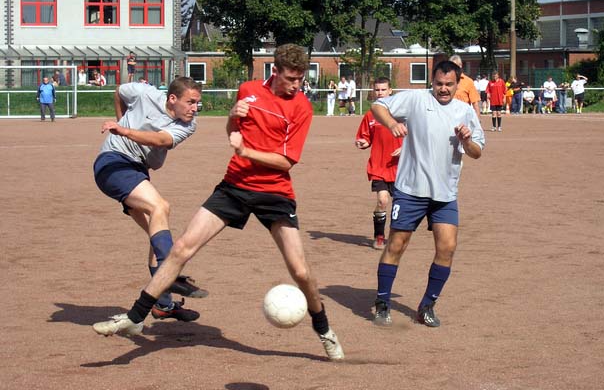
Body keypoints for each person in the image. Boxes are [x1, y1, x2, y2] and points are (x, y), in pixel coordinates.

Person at [92, 44, 345, 361]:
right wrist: (232, 117)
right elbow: (233, 131)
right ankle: (135, 318)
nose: (296, 85)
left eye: (300, 79)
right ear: (275, 71)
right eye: (291, 78)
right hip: (234, 186)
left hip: (275, 192)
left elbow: (286, 162)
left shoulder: (302, 108)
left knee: (301, 271)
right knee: (182, 247)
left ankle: (325, 331)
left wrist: (246, 152)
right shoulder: (249, 90)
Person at [369, 60, 484, 328]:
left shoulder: (465, 112)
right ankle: (383, 302)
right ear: (431, 82)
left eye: (449, 85)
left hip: (445, 194)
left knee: (447, 248)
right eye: (438, 84)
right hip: (411, 190)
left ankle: (427, 305)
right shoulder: (415, 99)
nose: (443, 89)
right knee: (396, 245)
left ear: (459, 84)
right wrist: (391, 125)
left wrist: (467, 141)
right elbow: (378, 106)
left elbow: (477, 152)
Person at [92, 77, 208, 323]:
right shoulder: (145, 93)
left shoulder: (188, 125)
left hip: (137, 170)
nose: (194, 108)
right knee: (160, 207)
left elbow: (160, 140)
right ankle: (172, 273)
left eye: (197, 103)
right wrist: (122, 121)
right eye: (190, 102)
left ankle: (163, 305)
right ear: (172, 99)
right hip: (113, 162)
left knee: (158, 232)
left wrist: (125, 130)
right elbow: (119, 91)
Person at [354, 77, 403, 250]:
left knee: (400, 206)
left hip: (400, 168)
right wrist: (363, 143)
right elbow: (365, 138)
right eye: (377, 90)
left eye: (383, 89)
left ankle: (396, 237)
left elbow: (417, 138)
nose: (380, 93)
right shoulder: (370, 115)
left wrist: (405, 150)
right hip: (379, 166)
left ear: (391, 91)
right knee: (382, 201)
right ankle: (380, 236)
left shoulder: (401, 113)